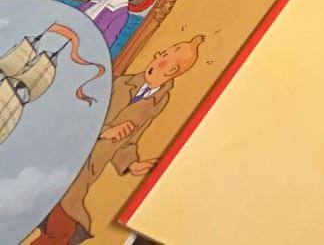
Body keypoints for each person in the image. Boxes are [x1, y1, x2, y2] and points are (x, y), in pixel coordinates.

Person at [36, 34, 205, 245]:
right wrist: (104, 131)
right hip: (64, 159)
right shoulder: (122, 83)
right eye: (161, 52)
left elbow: (129, 141)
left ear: (171, 71)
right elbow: (83, 114)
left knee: (64, 229)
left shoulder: (157, 102)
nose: (156, 56)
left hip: (86, 174)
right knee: (58, 224)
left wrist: (131, 164)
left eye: (164, 57)